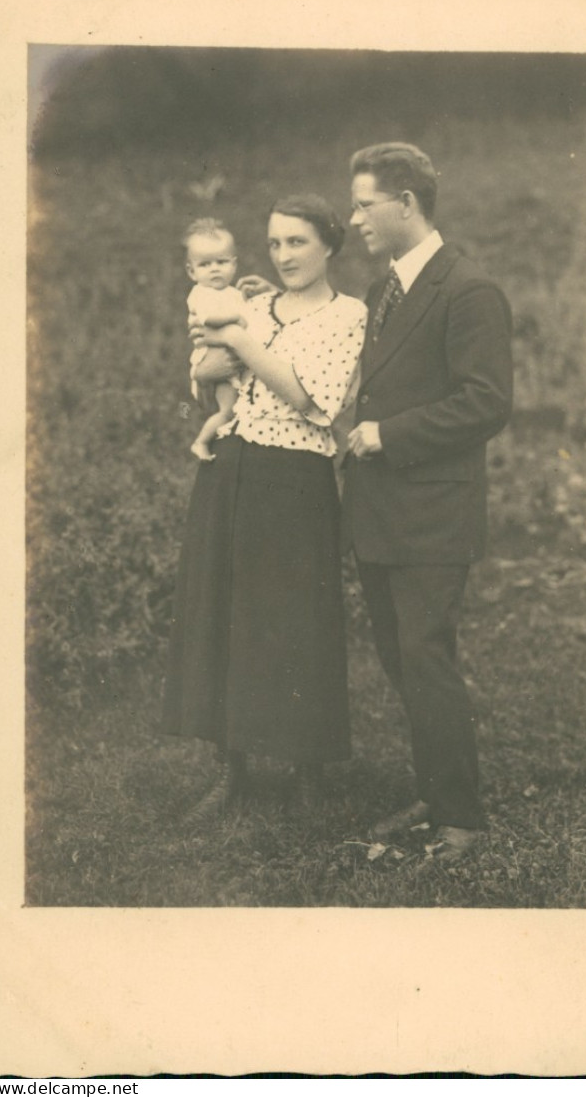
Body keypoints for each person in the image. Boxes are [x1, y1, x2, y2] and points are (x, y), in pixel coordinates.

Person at [163, 194, 366, 819]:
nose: (284, 256)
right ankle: (234, 769)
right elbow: (207, 379)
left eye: (298, 242)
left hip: (296, 479)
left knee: (297, 617)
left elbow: (312, 397)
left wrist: (237, 344)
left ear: (329, 245)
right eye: (275, 243)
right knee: (224, 612)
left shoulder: (348, 315)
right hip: (231, 469)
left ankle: (307, 770)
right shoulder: (250, 305)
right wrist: (210, 361)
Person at [342, 142, 513, 861]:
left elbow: (485, 402)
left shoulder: (468, 289)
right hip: (383, 512)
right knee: (401, 656)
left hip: (434, 515)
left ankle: (460, 821)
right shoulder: (387, 287)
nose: (353, 220)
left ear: (405, 202)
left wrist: (386, 434)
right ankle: (435, 792)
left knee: (425, 654)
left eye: (363, 203)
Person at [184, 218, 248, 461]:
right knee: (227, 410)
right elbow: (210, 318)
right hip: (211, 359)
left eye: (221, 262)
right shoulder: (201, 294)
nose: (214, 269)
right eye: (205, 264)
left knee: (234, 409)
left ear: (234, 264)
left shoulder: (233, 294)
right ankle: (201, 442)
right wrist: (238, 318)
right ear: (192, 271)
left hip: (230, 357)